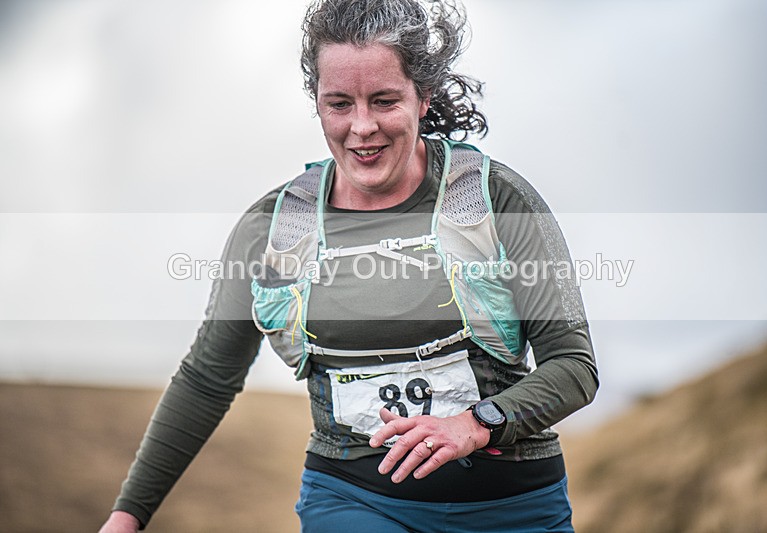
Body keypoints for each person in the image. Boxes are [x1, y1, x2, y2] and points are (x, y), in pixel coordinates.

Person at [99, 0, 598, 531]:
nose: (362, 127)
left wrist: (471, 425)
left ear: (422, 97)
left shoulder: (497, 200)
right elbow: (206, 379)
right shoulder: (270, 229)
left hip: (514, 506)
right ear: (317, 104)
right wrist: (127, 516)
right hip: (354, 501)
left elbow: (573, 367)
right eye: (339, 104)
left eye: (384, 101)